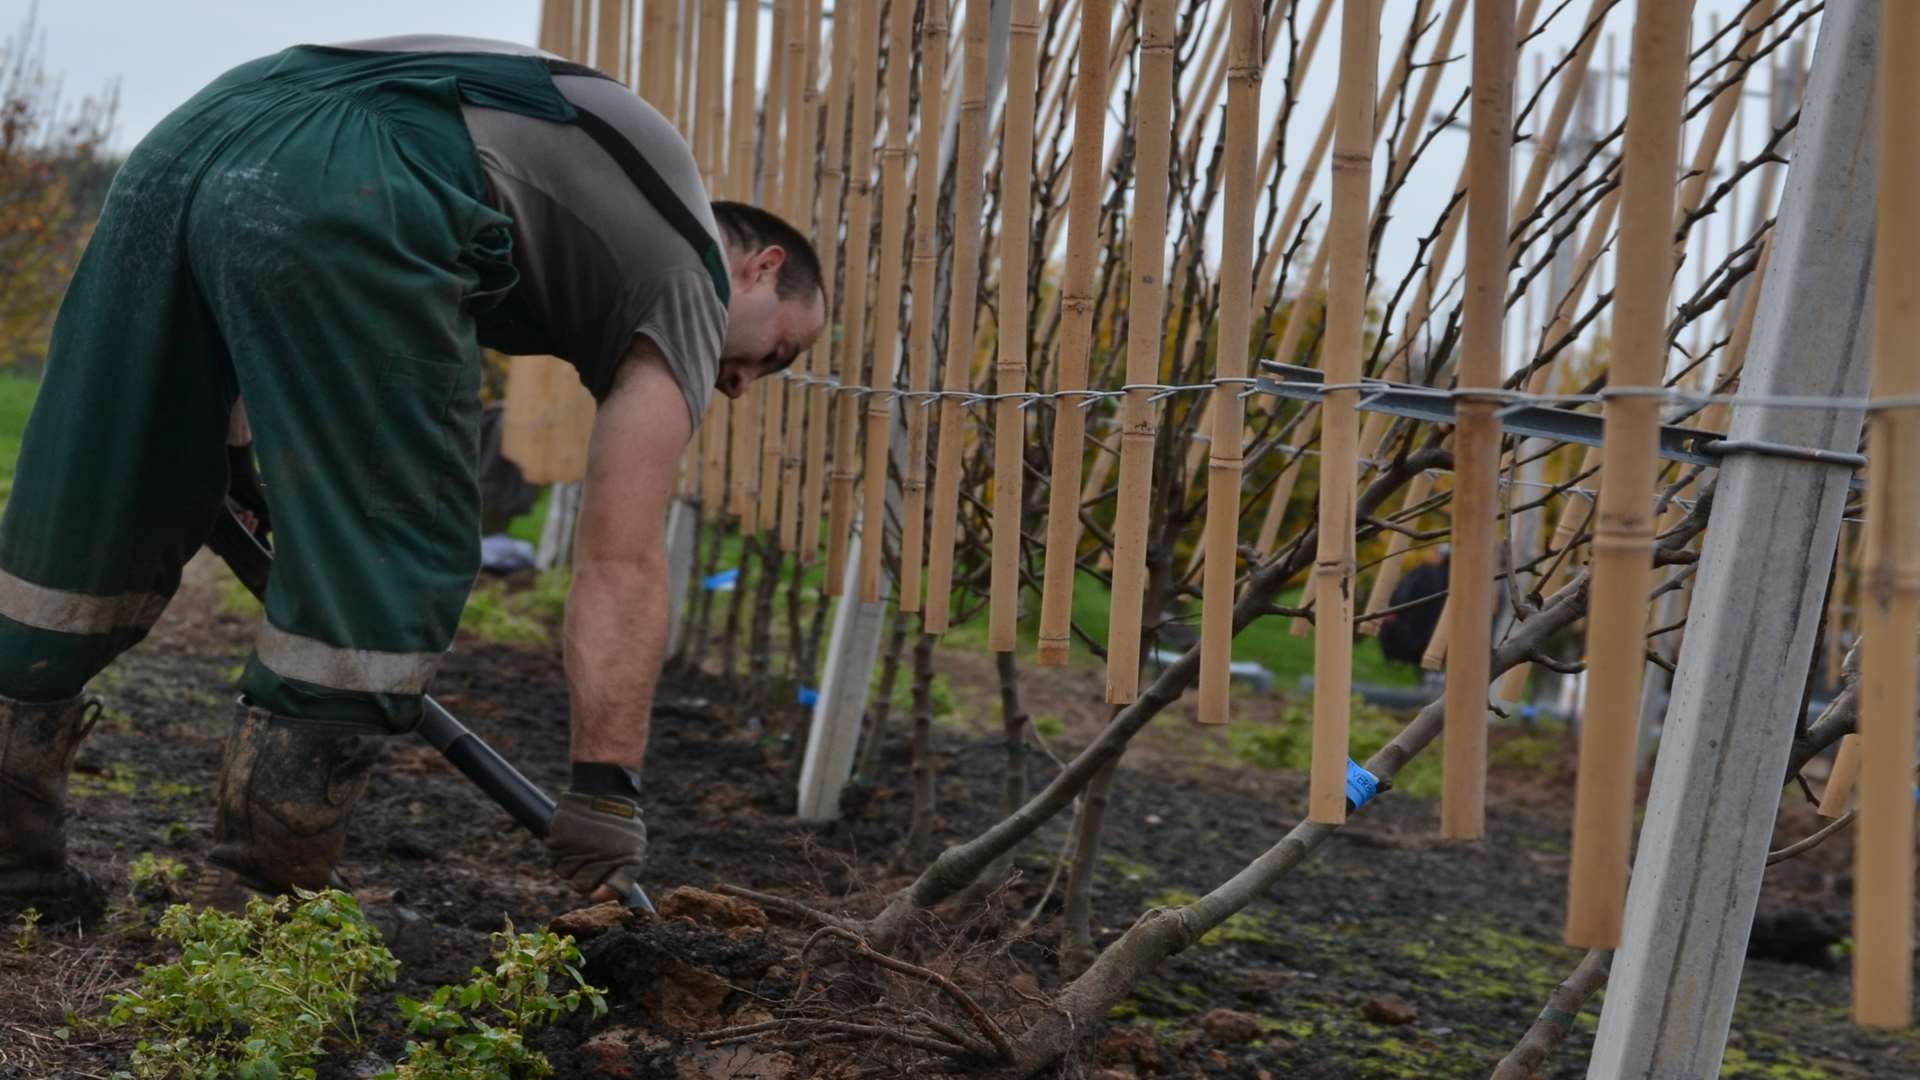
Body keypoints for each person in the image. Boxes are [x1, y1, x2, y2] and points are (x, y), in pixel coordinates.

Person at [0, 35, 825, 918]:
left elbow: (276, 211)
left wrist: (228, 446)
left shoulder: (596, 180)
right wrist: (605, 789)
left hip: (193, 140)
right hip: (365, 172)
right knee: (398, 543)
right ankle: (270, 900)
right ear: (760, 268)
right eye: (776, 352)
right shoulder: (689, 276)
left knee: (100, 498)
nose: (741, 384)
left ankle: (13, 866)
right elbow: (621, 559)